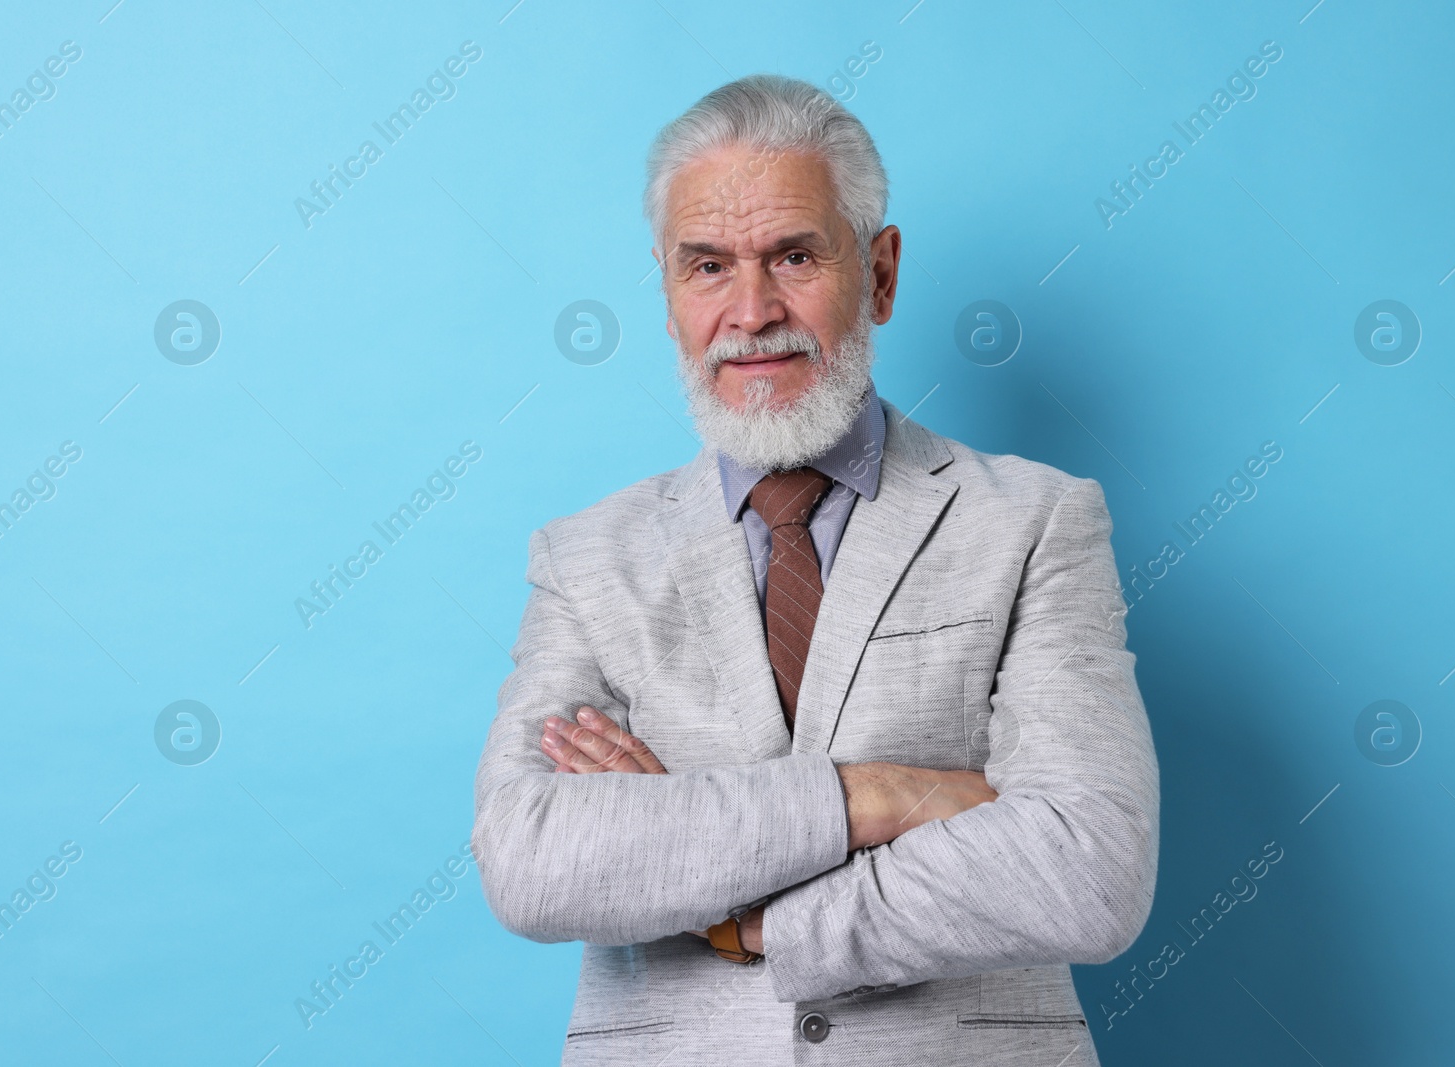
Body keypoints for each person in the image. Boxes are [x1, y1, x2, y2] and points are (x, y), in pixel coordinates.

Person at [471, 73, 1159, 1065]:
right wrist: (872, 796)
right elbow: (534, 862)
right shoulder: (586, 559)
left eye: (792, 255)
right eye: (707, 266)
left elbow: (1086, 872)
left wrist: (746, 916)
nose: (750, 312)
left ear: (878, 272)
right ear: (666, 295)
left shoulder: (1037, 521)